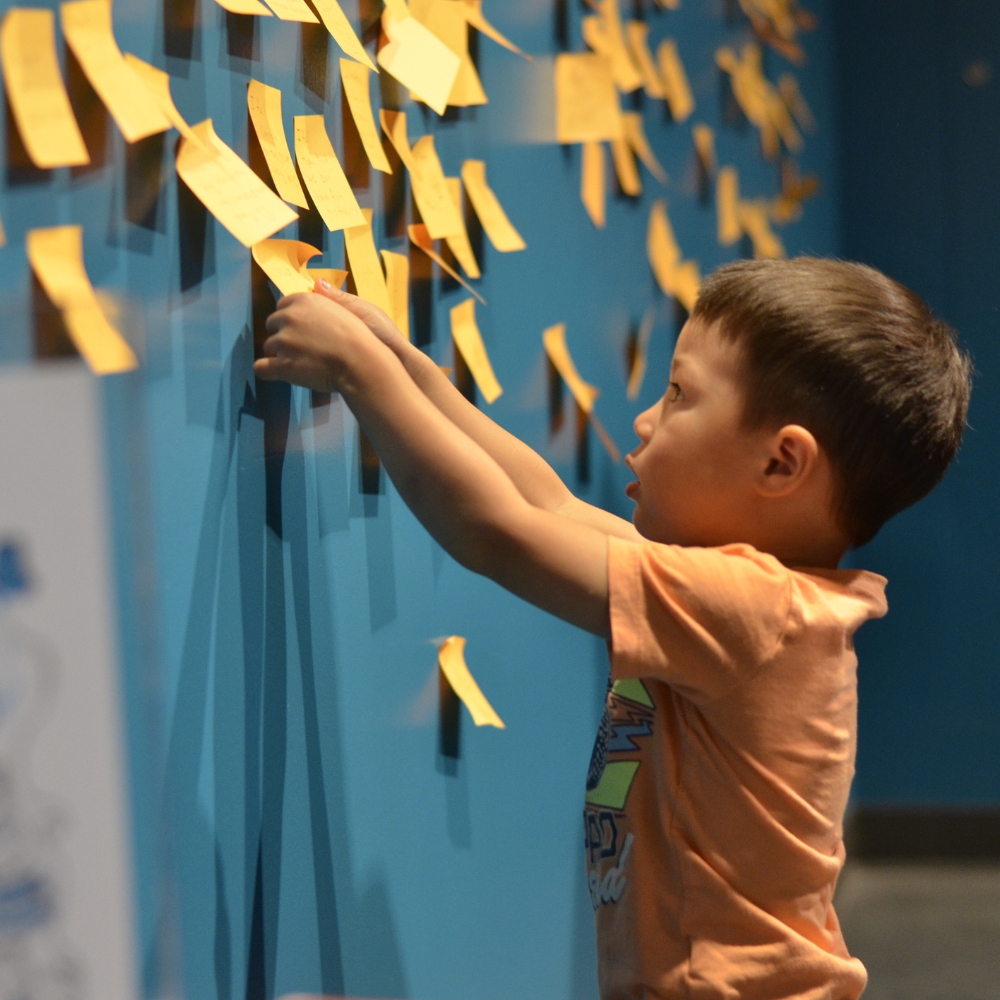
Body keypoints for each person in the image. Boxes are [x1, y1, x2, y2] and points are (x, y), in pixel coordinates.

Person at [254, 258, 971, 999]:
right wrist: (406, 365)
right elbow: (547, 504)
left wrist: (360, 375)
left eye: (679, 394)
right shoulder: (748, 598)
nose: (645, 419)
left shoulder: (748, 611)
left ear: (781, 462)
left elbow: (496, 533)